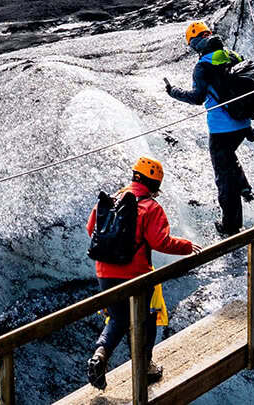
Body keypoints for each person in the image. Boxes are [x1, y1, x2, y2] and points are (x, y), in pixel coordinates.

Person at [85, 156, 195, 388]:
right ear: (154, 185)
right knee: (146, 319)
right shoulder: (150, 207)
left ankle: (100, 355)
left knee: (118, 318)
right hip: (136, 274)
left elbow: (91, 229)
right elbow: (160, 241)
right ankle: (145, 367)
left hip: (104, 272)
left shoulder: (111, 200)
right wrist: (186, 246)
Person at [165, 21, 254, 237]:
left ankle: (231, 227)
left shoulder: (202, 66)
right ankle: (245, 187)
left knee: (224, 179)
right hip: (243, 124)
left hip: (221, 128)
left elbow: (197, 98)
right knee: (229, 156)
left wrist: (173, 92)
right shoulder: (233, 55)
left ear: (196, 42)